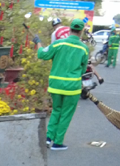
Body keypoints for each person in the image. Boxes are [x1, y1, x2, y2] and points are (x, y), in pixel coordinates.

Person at [35, 18, 89, 151]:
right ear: (81, 32)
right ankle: (58, 143)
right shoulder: (84, 49)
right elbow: (83, 70)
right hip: (72, 88)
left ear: (70, 29)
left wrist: (38, 43)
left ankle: (48, 138)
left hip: (55, 86)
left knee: (56, 111)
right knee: (66, 114)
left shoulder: (58, 44)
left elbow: (42, 54)